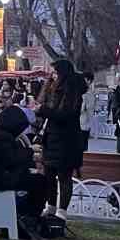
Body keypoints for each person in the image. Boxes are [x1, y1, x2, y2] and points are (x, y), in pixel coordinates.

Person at [0, 106, 53, 226]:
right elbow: (12, 158)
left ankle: (25, 215)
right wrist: (30, 152)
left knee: (35, 180)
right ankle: (29, 217)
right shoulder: (1, 137)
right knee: (41, 182)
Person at [35, 59, 86, 221]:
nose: (52, 76)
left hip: (66, 139)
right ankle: (50, 207)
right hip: (52, 137)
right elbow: (47, 107)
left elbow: (65, 115)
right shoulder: (53, 89)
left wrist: (43, 110)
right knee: (49, 174)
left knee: (64, 176)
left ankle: (61, 212)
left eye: (55, 73)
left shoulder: (72, 90)